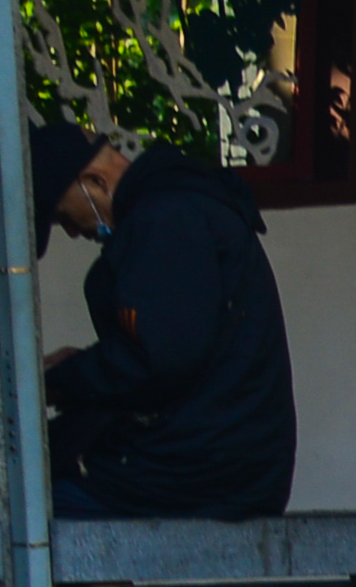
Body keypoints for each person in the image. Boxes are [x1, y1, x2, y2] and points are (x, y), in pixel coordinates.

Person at [32, 115, 294, 522]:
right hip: (225, 459)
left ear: (96, 182)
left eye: (64, 217)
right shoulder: (180, 205)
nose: (70, 231)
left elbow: (157, 361)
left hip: (203, 472)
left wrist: (62, 384)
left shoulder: (165, 219)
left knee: (27, 515)